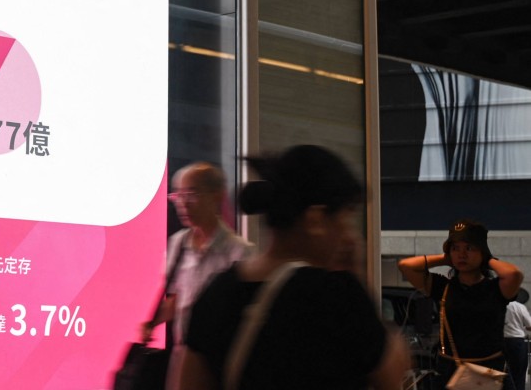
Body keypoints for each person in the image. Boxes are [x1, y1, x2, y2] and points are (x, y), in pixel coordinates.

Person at [177, 145, 409, 390]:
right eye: (345, 218)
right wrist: (355, 275)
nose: (349, 235)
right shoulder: (337, 296)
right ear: (315, 220)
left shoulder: (218, 292)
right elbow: (393, 376)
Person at [140, 162, 252, 386]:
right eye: (177, 196)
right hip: (183, 355)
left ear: (217, 196)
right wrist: (152, 323)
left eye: (191, 195)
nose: (182, 204)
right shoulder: (178, 244)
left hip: (221, 359)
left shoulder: (239, 252)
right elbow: (176, 299)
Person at [398, 220, 524, 390]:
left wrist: (487, 259)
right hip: (451, 374)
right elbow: (406, 266)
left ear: (482, 251)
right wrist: (445, 258)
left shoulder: (496, 288)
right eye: (455, 248)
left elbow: (514, 274)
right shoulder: (443, 287)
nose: (461, 254)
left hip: (491, 373)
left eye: (469, 248)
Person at [503, 293, 531, 390]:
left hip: (500, 342)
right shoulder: (519, 307)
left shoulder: (497, 305)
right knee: (519, 373)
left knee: (503, 372)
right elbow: (530, 325)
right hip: (517, 341)